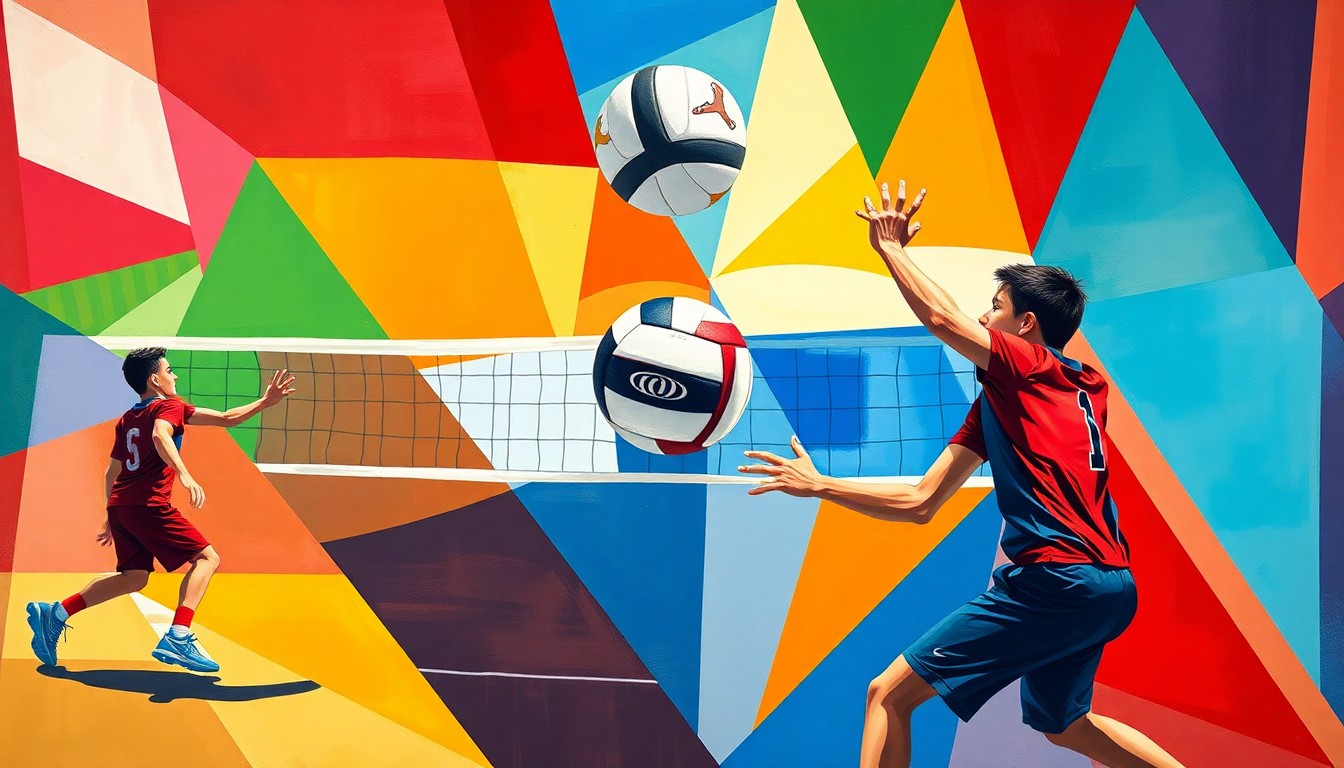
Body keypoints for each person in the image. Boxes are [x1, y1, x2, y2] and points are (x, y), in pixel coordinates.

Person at [740, 182, 1184, 768]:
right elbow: (920, 501)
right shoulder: (1066, 389)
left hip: (1056, 579)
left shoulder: (1030, 367)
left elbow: (941, 318)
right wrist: (821, 484)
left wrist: (890, 248)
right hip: (1109, 587)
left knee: (887, 695)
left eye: (995, 306)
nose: (983, 316)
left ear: (1026, 325)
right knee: (1064, 723)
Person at [26, 347, 296, 673]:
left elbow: (113, 471)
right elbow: (159, 434)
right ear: (154, 380)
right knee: (207, 559)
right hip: (148, 503)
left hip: (123, 505)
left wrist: (111, 514)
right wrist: (184, 474)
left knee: (134, 577)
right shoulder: (170, 406)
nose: (175, 375)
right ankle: (179, 636)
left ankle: (55, 614)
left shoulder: (128, 418)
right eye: (169, 371)